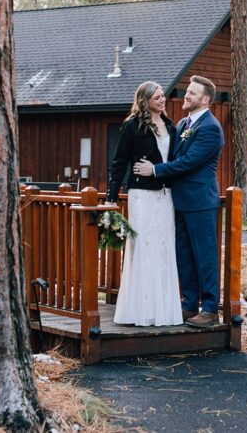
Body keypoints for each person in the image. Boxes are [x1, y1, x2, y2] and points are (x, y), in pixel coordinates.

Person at [134, 75, 224, 328]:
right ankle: (188, 304)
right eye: (187, 91)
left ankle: (209, 309)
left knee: (204, 255)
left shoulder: (210, 128)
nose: (187, 95)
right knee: (184, 255)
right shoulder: (183, 122)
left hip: (200, 201)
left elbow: (189, 162)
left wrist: (156, 170)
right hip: (179, 201)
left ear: (205, 99)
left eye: (192, 93)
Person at [106, 81, 182, 326]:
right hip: (141, 195)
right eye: (158, 97)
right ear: (145, 100)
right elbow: (119, 162)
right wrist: (111, 196)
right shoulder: (132, 126)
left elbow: (173, 160)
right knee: (143, 246)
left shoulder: (171, 126)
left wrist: (158, 171)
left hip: (164, 194)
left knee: (163, 246)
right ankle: (139, 310)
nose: (163, 100)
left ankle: (163, 311)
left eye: (163, 96)